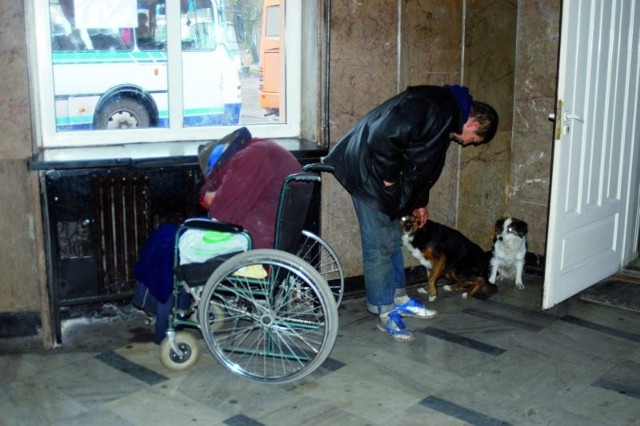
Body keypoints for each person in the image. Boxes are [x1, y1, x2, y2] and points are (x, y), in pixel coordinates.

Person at [323, 85, 499, 342]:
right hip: (366, 174)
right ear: (474, 123)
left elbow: (423, 163)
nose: (467, 144)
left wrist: (418, 202)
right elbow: (383, 137)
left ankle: (398, 298)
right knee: (379, 245)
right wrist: (389, 178)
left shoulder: (446, 116)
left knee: (393, 240)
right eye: (473, 140)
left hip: (381, 178)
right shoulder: (433, 105)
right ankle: (385, 313)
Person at [198, 127, 302, 249]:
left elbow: (224, 214)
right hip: (273, 230)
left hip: (260, 239)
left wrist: (211, 199)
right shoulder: (258, 148)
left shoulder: (249, 158)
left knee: (186, 241)